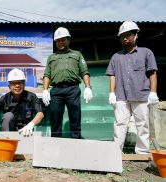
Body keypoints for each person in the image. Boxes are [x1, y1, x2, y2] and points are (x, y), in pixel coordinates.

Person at [106, 21, 159, 154]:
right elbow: (112, 75)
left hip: (141, 94)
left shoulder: (146, 53)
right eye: (122, 36)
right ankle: (116, 152)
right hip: (121, 95)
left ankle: (142, 152)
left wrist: (153, 92)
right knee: (119, 124)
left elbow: (152, 72)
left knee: (142, 124)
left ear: (136, 35)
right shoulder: (116, 57)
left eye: (128, 35)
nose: (125, 38)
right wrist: (111, 93)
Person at [42, 27, 93, 139]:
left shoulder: (77, 55)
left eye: (63, 39)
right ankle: (56, 144)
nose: (61, 42)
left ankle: (76, 143)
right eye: (58, 40)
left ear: (68, 40)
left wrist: (88, 87)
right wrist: (45, 90)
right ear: (55, 42)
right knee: (55, 118)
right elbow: (47, 75)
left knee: (75, 117)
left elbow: (84, 72)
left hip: (72, 89)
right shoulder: (51, 57)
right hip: (56, 91)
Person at [0, 68, 44, 137]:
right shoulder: (5, 98)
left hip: (26, 132)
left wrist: (31, 124)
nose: (17, 85)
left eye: (20, 82)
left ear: (24, 84)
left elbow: (40, 114)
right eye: (14, 83)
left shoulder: (31, 96)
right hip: (8, 135)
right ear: (9, 86)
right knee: (7, 115)